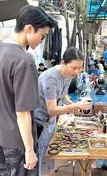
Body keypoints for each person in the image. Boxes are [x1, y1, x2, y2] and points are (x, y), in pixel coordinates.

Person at [0, 5, 57, 175]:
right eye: (42, 36)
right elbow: (23, 112)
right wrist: (30, 151)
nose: (42, 41)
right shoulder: (24, 60)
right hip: (17, 139)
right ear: (29, 29)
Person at [35, 47, 91, 175]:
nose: (77, 72)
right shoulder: (51, 77)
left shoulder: (68, 75)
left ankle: (47, 172)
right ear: (63, 63)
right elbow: (52, 109)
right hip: (39, 120)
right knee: (39, 155)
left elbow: (63, 95)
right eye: (74, 67)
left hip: (51, 121)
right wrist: (75, 107)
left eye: (79, 68)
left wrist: (73, 105)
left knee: (49, 154)